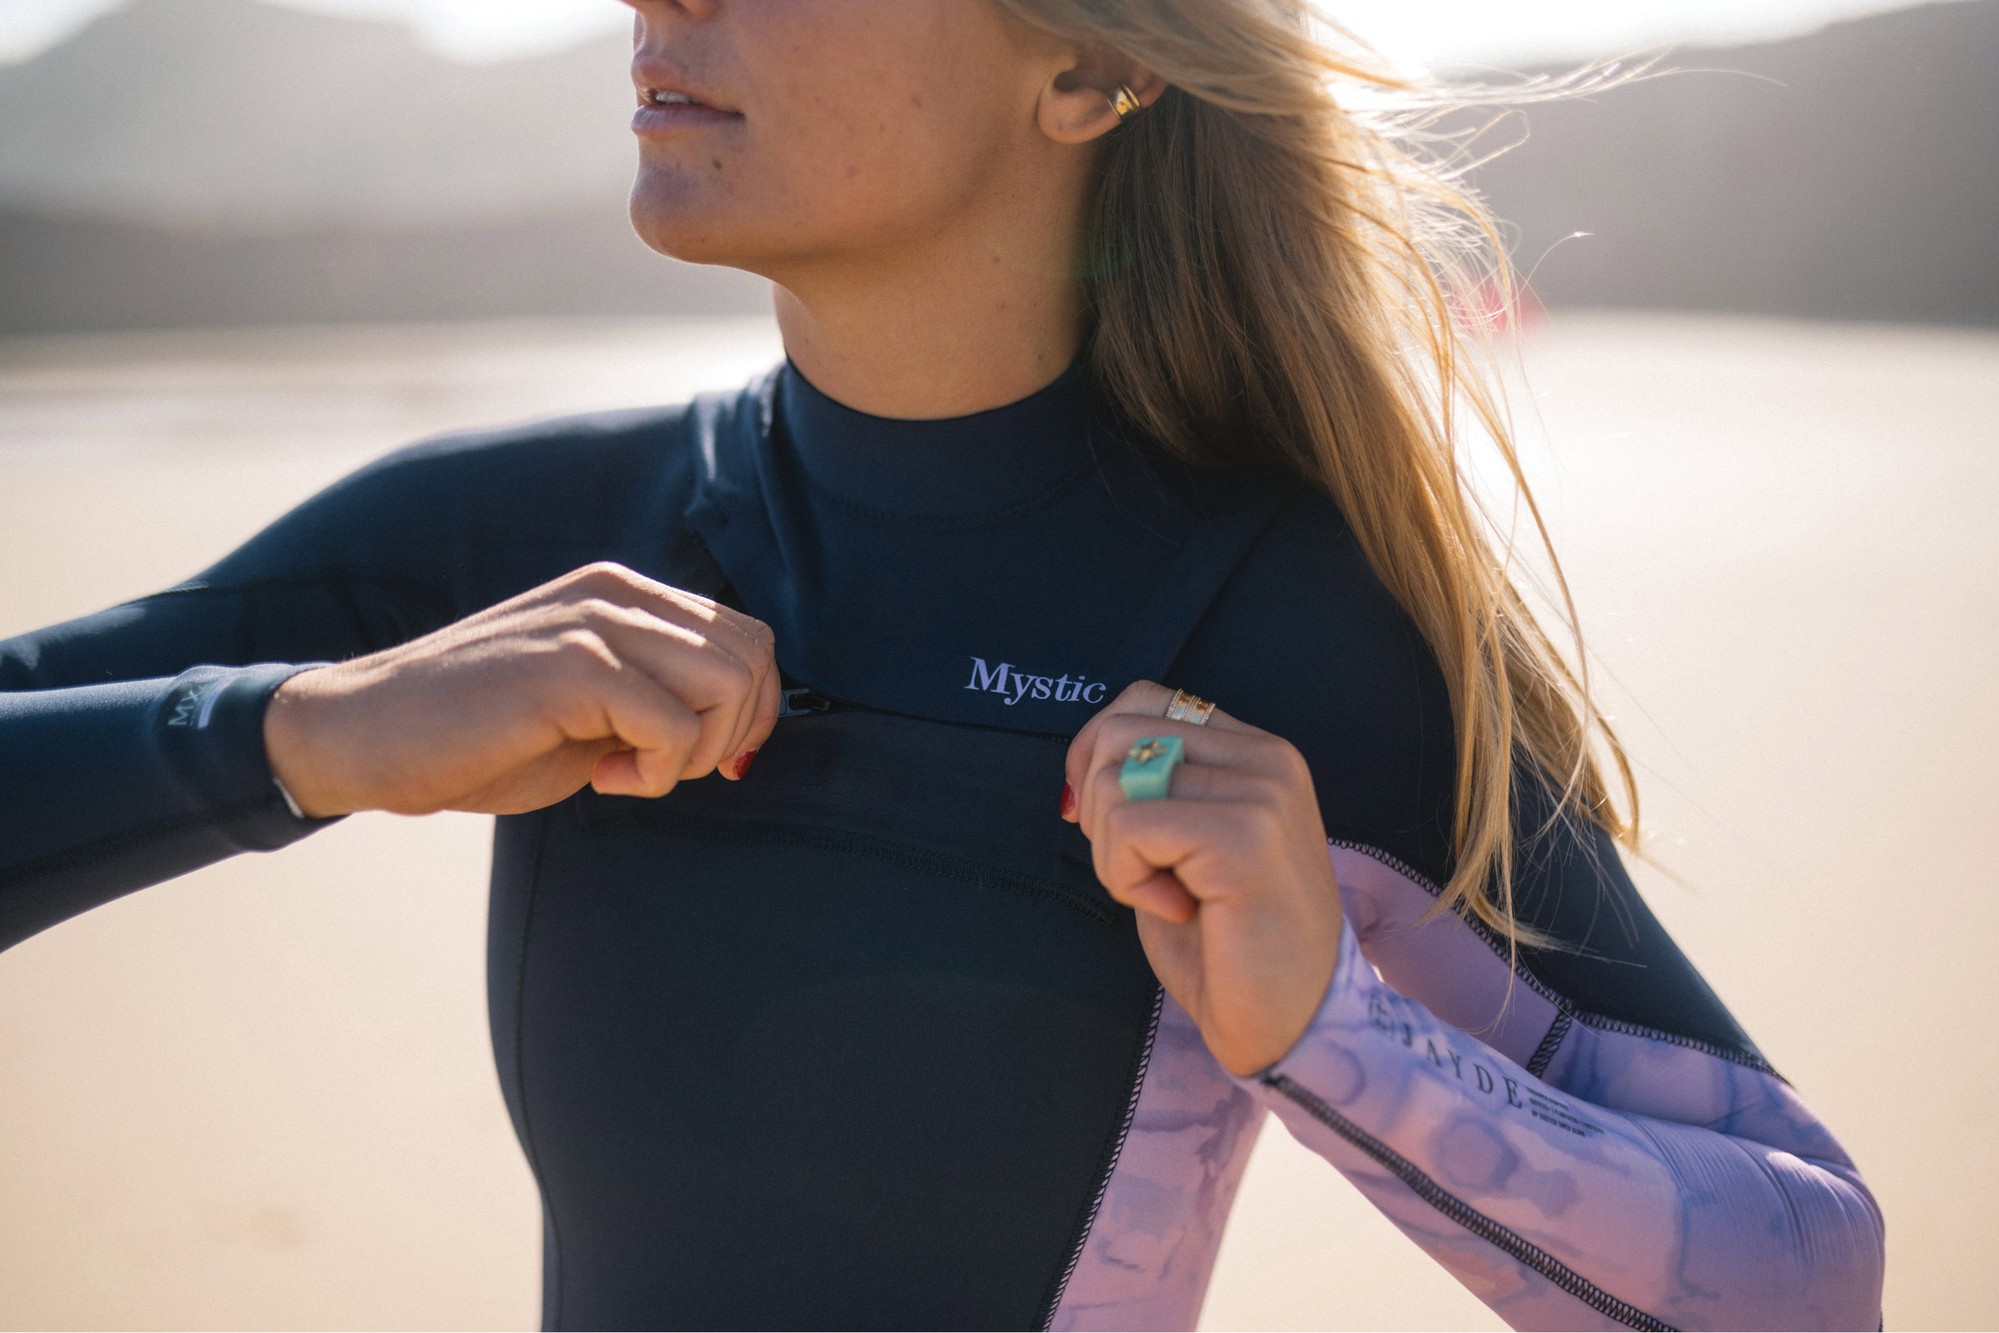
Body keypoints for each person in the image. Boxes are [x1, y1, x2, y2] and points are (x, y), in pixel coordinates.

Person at [0, 1, 1885, 1329]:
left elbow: (1811, 1273)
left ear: (1089, 64)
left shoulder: (1291, 634)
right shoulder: (529, 547)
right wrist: (305, 735)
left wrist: (1332, 1035)